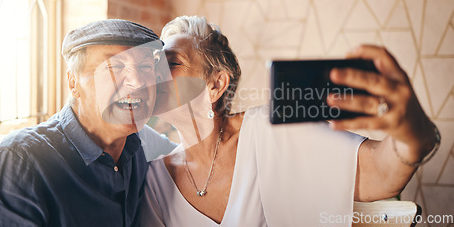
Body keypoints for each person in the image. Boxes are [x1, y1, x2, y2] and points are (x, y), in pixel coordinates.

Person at [141, 15, 440, 226]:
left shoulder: (271, 130)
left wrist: (413, 134)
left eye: (172, 62)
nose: (156, 74)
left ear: (216, 85)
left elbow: (380, 174)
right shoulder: (153, 181)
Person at [0, 19, 176, 226]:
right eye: (114, 67)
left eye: (146, 67)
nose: (137, 82)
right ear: (73, 83)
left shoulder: (143, 145)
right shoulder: (18, 163)